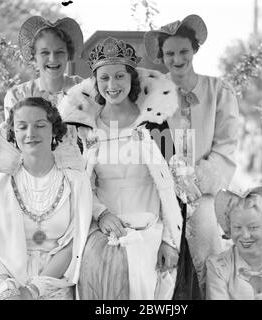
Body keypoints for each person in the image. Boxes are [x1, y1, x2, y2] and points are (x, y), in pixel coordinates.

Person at [58, 37, 183, 299]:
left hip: (150, 230)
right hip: (103, 228)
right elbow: (80, 185)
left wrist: (170, 242)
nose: (111, 85)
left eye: (119, 76)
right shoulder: (85, 128)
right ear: (95, 82)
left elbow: (171, 185)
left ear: (131, 79)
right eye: (104, 78)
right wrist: (101, 215)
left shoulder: (154, 124)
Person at [144, 14, 240, 297]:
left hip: (202, 192)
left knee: (206, 249)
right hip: (161, 191)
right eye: (170, 53)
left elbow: (226, 144)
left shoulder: (218, 91)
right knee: (157, 261)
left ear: (194, 50)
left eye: (183, 51)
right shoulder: (152, 92)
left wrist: (197, 181)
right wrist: (170, 181)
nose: (177, 59)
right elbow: (145, 140)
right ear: (162, 56)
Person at [0, 97, 92, 300]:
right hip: (0, 277)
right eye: (22, 127)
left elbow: (73, 244)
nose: (30, 134)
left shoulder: (74, 178)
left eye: (40, 125)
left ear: (54, 130)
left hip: (54, 278)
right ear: (14, 133)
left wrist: (33, 290)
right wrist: (8, 289)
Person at [4, 16, 84, 120]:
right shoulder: (17, 96)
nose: (52, 59)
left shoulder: (85, 89)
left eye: (59, 52)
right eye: (45, 52)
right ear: (34, 56)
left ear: (68, 54)